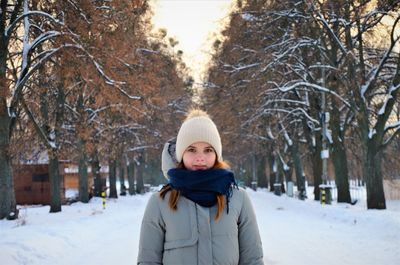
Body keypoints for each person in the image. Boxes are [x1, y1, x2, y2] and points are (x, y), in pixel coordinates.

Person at [137, 109, 264, 265]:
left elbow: (253, 260)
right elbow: (148, 261)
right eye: (191, 149)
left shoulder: (238, 198)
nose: (200, 157)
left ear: (217, 154)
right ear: (180, 154)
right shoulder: (160, 202)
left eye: (208, 150)